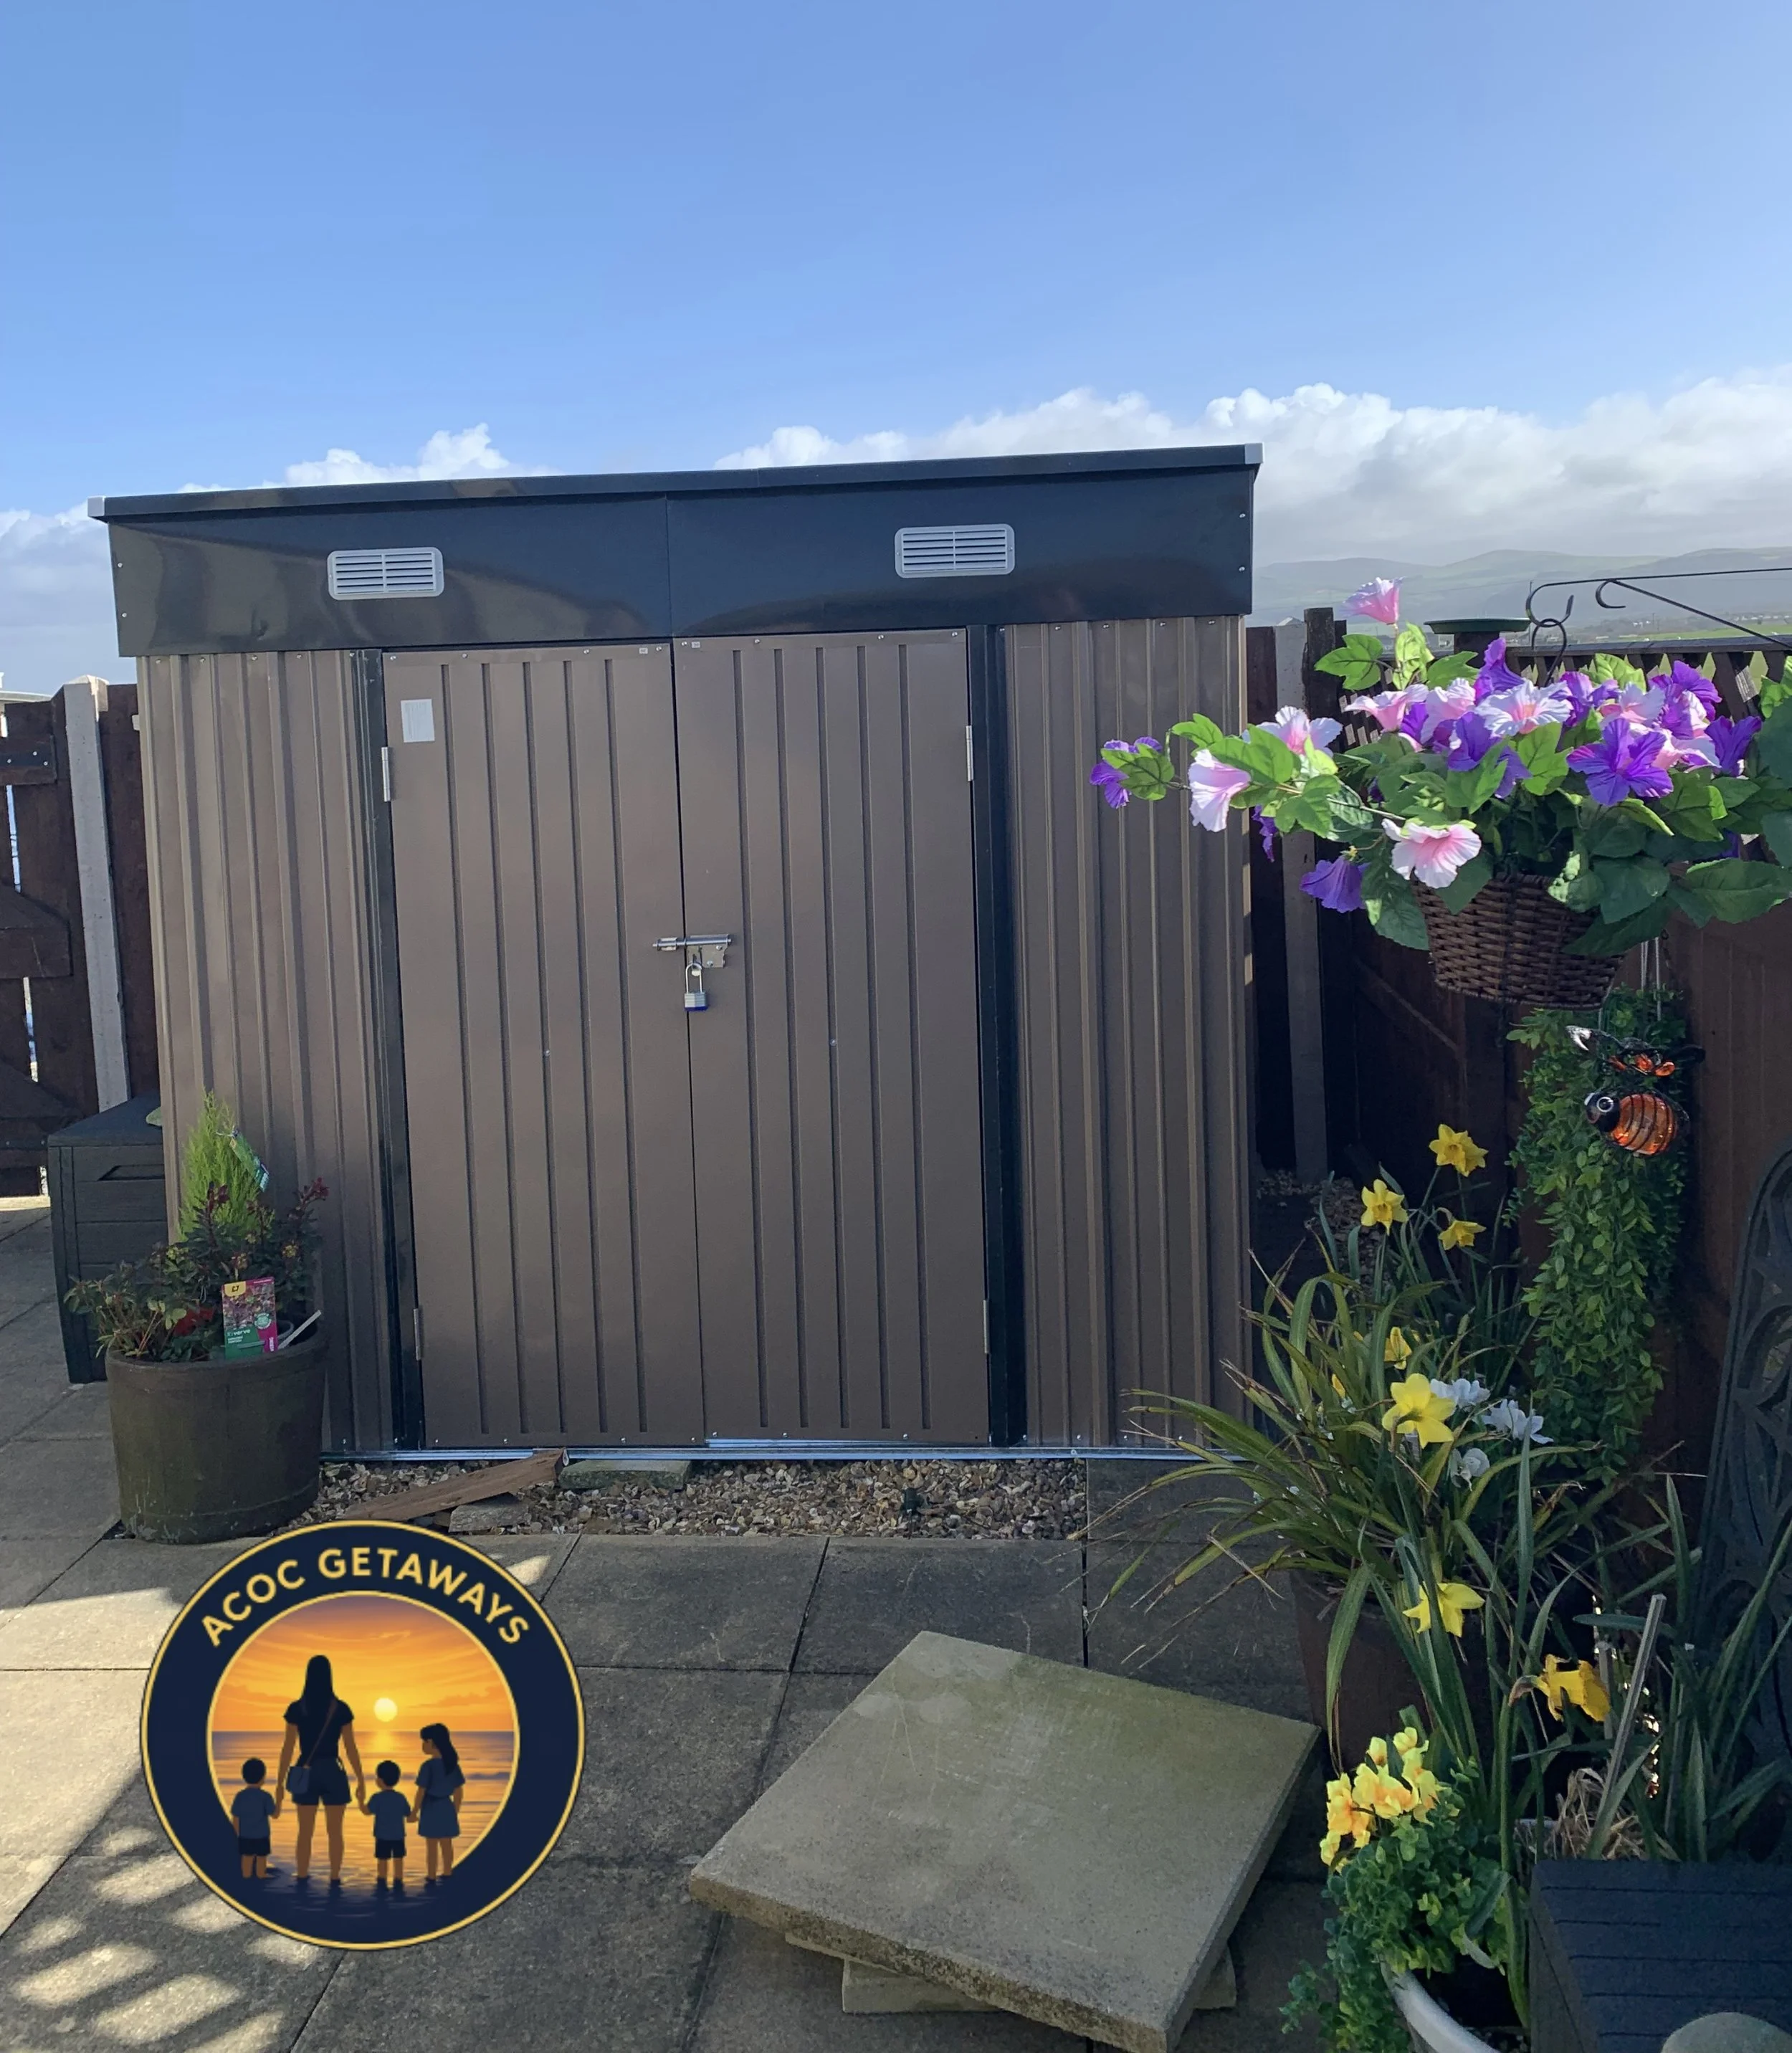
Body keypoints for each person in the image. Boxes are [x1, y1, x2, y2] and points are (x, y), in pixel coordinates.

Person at [272, 1654, 365, 1883]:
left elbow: (288, 1748)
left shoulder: (297, 1708)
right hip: (333, 1771)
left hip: (306, 1771)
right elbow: (351, 1747)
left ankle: (302, 1874)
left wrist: (280, 1782)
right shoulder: (340, 1708)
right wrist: (361, 1779)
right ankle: (335, 1877)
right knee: (335, 1832)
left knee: (305, 1831)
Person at [414, 1723, 464, 1880]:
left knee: (432, 1846)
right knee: (446, 1843)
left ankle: (431, 1876)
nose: (423, 1745)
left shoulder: (428, 1766)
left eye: (425, 1741)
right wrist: (455, 1811)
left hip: (431, 1807)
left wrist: (414, 1811)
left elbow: (421, 1791)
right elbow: (458, 1791)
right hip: (446, 1807)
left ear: (432, 1743)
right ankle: (448, 1872)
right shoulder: (452, 1765)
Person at [361, 1760, 412, 1889]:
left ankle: (382, 1881)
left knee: (382, 1860)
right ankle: (398, 1881)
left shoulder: (377, 1798)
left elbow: (367, 1811)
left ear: (380, 1780)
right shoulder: (401, 1797)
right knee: (398, 1860)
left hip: (382, 1836)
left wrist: (360, 1801)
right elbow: (408, 1813)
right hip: (398, 1836)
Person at [230, 1757, 278, 1879]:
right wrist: (280, 1800)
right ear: (263, 1778)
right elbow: (274, 1814)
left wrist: (236, 1834)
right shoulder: (265, 1797)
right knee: (262, 1858)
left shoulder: (240, 1796)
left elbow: (236, 1817)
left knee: (246, 1858)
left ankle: (246, 1876)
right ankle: (261, 1875)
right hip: (262, 1835)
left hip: (245, 1835)